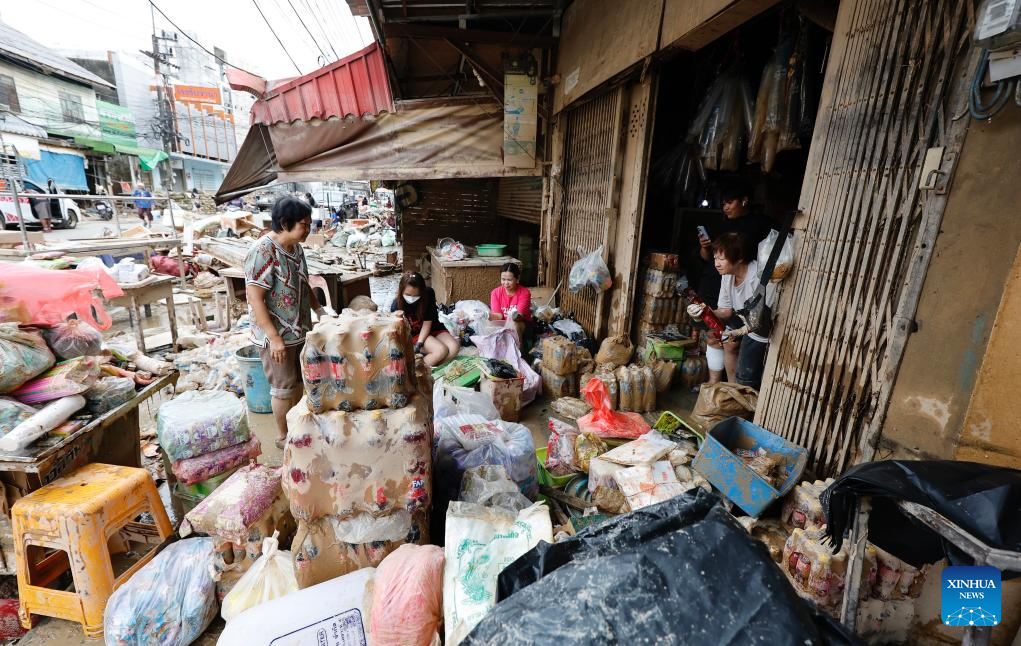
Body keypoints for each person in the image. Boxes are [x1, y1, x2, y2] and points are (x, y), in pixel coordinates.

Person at [245, 196, 330, 449]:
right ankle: (283, 436)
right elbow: (255, 297)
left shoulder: (297, 248)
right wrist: (274, 338)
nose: (309, 229)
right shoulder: (262, 251)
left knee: (299, 383)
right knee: (282, 387)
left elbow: (304, 282)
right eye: (304, 224)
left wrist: (321, 312)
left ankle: (297, 428)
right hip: (276, 337)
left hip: (299, 331)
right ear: (285, 223)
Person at [688, 232, 777, 389]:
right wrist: (702, 313)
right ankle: (731, 390)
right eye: (715, 258)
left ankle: (741, 393)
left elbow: (759, 321)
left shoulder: (760, 277)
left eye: (721, 259)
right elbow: (725, 311)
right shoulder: (727, 275)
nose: (716, 263)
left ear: (740, 258)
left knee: (747, 377)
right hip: (745, 320)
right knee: (722, 340)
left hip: (765, 329)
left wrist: (737, 333)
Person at [696, 180, 772, 307]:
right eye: (724, 203)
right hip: (712, 282)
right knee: (707, 317)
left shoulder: (760, 224)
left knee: (736, 320)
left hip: (744, 284)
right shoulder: (719, 225)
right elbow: (706, 258)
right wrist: (704, 247)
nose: (725, 207)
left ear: (744, 201)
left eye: (730, 203)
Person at [391, 272, 459, 367]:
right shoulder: (396, 305)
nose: (411, 298)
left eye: (416, 295)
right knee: (441, 350)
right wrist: (415, 345)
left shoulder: (428, 294)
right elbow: (399, 333)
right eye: (408, 294)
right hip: (415, 334)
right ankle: (415, 373)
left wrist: (420, 343)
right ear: (401, 291)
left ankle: (434, 369)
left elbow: (428, 322)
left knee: (454, 348)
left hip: (433, 328)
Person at [489, 262, 531, 343]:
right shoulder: (495, 293)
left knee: (514, 324)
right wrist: (487, 316)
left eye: (509, 280)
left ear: (517, 278)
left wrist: (513, 317)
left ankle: (519, 352)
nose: (506, 283)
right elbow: (499, 316)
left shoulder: (524, 292)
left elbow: (520, 316)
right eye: (503, 279)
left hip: (521, 324)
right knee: (488, 324)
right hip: (503, 324)